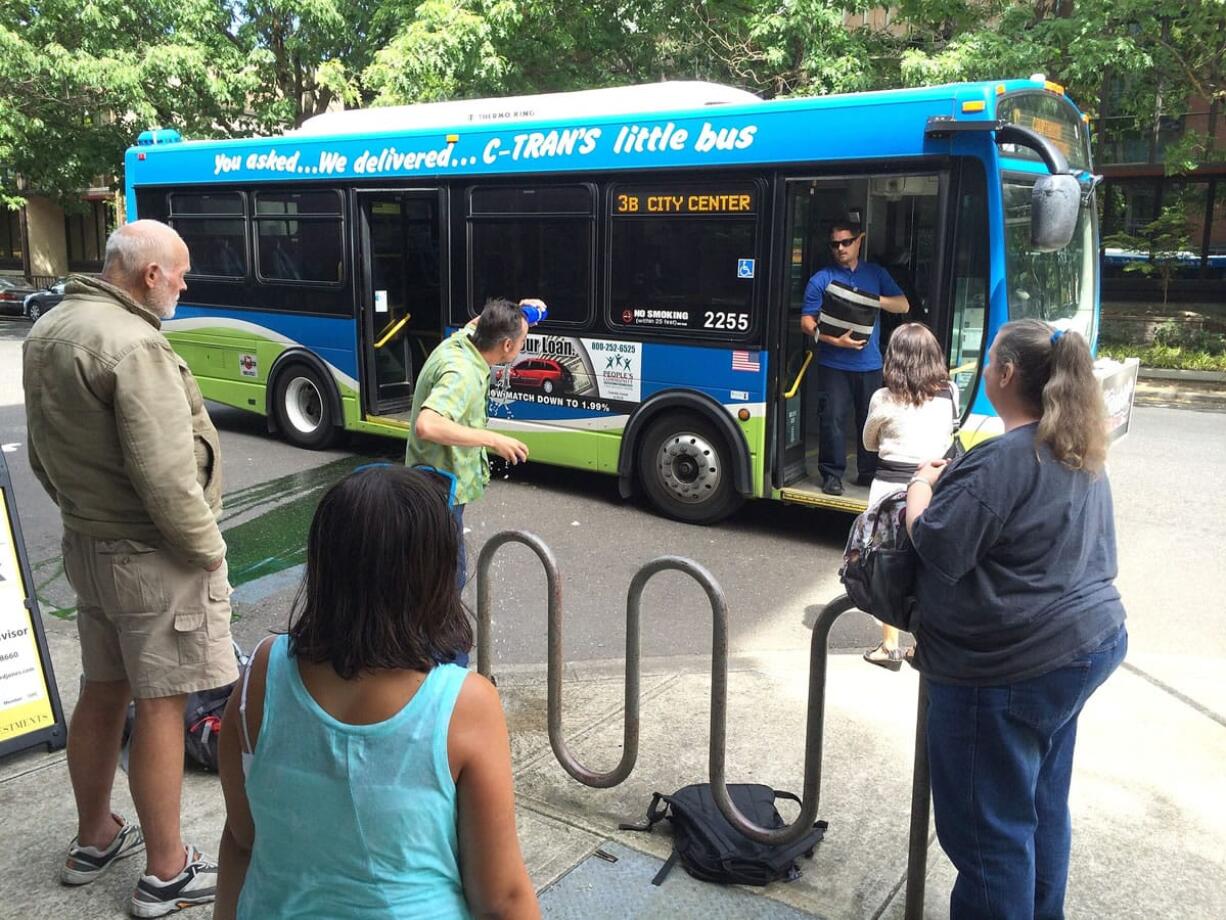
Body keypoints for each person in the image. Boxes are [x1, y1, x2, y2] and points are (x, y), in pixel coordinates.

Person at [213, 466, 540, 920]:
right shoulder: (465, 704)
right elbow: (501, 899)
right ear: (435, 576)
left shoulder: (262, 673)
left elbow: (242, 839)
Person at [23, 220, 231, 916]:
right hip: (150, 554)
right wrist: (208, 551)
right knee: (163, 703)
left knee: (103, 689)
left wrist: (84, 515)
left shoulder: (53, 328)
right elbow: (167, 476)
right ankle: (167, 872)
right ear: (149, 275)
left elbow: (40, 456)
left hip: (88, 542)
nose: (184, 284)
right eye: (180, 273)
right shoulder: (134, 343)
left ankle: (95, 836)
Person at [905, 319, 1127, 919]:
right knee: (1040, 808)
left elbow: (938, 544)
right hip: (1083, 647)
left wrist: (920, 490)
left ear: (1004, 375)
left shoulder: (1002, 459)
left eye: (987, 361)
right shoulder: (1078, 449)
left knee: (988, 836)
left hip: (1003, 671)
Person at [406, 298, 541, 591]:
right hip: (439, 490)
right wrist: (493, 439)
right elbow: (427, 425)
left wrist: (524, 311)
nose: (522, 348)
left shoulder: (468, 338)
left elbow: (485, 321)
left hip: (436, 481)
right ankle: (440, 635)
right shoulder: (462, 373)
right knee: (448, 579)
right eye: (522, 342)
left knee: (434, 573)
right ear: (507, 346)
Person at [860, 323, 958, 670]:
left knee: (889, 564)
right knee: (925, 562)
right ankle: (923, 644)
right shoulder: (951, 393)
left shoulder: (883, 398)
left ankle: (889, 647)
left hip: (890, 488)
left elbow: (869, 443)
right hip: (932, 486)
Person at [800, 221, 910, 495]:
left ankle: (869, 472)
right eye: (834, 244)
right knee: (833, 419)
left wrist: (872, 299)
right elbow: (806, 322)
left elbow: (903, 304)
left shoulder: (875, 273)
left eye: (846, 242)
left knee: (871, 419)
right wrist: (833, 340)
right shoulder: (821, 278)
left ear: (859, 241)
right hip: (833, 363)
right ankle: (832, 475)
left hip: (870, 363)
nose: (840, 248)